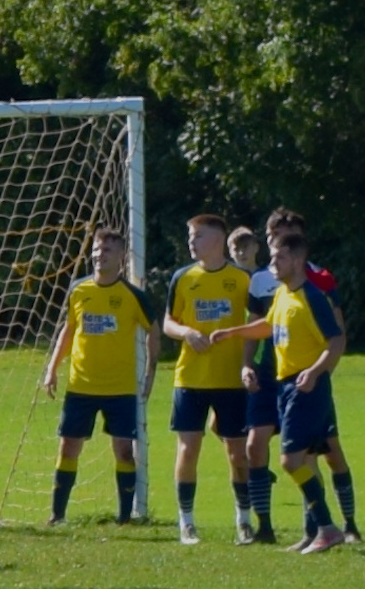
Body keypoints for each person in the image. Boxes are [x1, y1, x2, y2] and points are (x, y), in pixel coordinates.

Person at [205, 231, 346, 553]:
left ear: (296, 261)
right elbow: (268, 326)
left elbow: (336, 340)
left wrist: (314, 371)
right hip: (285, 384)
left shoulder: (311, 297)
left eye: (278, 258)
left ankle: (327, 528)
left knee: (290, 460)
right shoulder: (282, 294)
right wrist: (231, 332)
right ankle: (314, 533)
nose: (272, 264)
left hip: (306, 386)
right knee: (306, 460)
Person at [41, 225, 160, 525]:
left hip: (120, 390)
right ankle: (57, 515)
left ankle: (124, 517)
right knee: (68, 446)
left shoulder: (133, 296)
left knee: (123, 451)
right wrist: (52, 369)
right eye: (96, 249)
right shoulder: (79, 290)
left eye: (106, 250)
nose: (99, 255)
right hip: (81, 385)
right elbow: (68, 331)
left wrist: (150, 371)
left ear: (121, 256)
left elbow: (153, 331)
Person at [161, 214, 253, 544]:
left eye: (198, 235)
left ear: (217, 239)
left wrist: (246, 359)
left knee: (237, 454)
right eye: (190, 235)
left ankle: (244, 520)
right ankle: (186, 522)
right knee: (187, 450)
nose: (191, 241)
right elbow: (168, 322)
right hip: (190, 379)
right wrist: (186, 332)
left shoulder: (242, 279)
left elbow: (259, 323)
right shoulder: (183, 278)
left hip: (231, 380)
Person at [229, 225, 281, 541]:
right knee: (237, 440)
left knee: (252, 442)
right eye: (237, 248)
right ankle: (257, 487)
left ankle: (319, 525)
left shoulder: (264, 279)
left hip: (272, 367)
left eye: (247, 247)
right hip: (233, 366)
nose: (242, 252)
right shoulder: (229, 280)